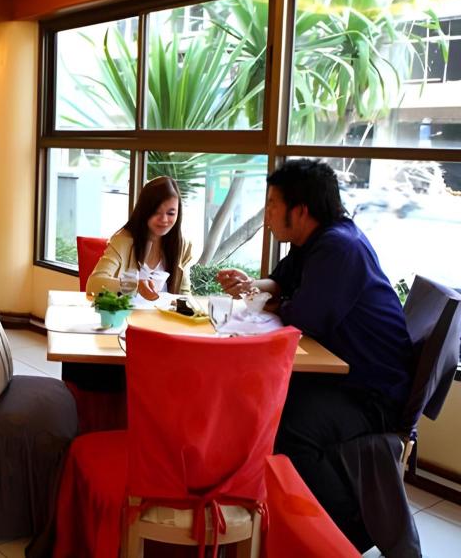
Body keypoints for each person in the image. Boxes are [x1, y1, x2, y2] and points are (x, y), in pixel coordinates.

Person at [216, 159, 411, 550]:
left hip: (370, 393)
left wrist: (273, 301)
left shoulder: (340, 247)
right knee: (261, 403)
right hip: (345, 377)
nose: (267, 215)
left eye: (273, 205)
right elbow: (281, 283)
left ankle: (347, 527)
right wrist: (254, 286)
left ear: (300, 210)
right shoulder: (315, 241)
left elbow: (306, 316)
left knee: (288, 425)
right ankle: (271, 510)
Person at [87, 176, 193, 300]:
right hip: (128, 312)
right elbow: (93, 284)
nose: (164, 220)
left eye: (171, 213)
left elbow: (184, 294)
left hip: (164, 313)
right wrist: (135, 286)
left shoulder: (182, 246)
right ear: (145, 211)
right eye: (156, 212)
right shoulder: (123, 241)